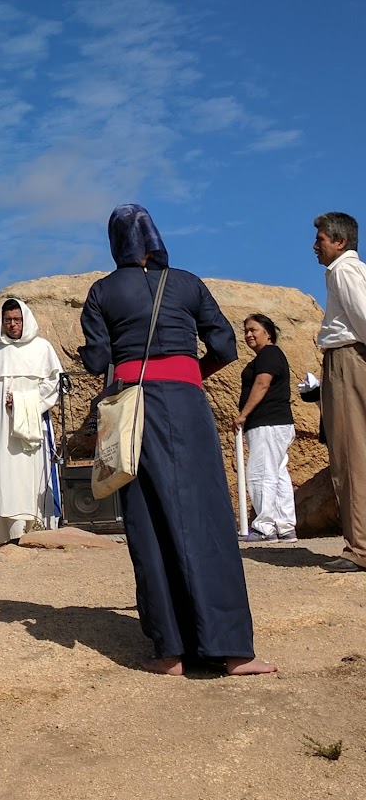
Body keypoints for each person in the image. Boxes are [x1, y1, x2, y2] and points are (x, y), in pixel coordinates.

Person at [79, 205, 275, 676]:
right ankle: (233, 651)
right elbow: (225, 344)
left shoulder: (102, 291)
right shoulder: (187, 283)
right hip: (187, 406)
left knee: (147, 521)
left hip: (135, 410)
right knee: (206, 517)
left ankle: (169, 652)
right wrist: (190, 374)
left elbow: (96, 359)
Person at [0, 298, 64, 548]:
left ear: (26, 319)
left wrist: (25, 401)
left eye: (17, 319)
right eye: (8, 320)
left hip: (34, 425)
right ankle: (6, 534)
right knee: (7, 478)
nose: (13, 324)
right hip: (3, 430)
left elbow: (53, 385)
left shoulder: (42, 348)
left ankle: (37, 530)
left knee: (34, 475)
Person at [313, 211, 366, 573]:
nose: (315, 246)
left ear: (340, 241)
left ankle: (360, 547)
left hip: (348, 358)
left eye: (321, 239)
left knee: (350, 455)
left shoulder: (344, 271)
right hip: (351, 357)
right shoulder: (352, 270)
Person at [234, 314, 296, 543]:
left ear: (268, 333)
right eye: (246, 331)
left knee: (260, 473)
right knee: (278, 474)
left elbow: (262, 384)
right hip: (277, 424)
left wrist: (243, 415)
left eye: (254, 330)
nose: (249, 334)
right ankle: (285, 526)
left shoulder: (269, 354)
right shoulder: (270, 355)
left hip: (267, 422)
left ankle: (264, 527)